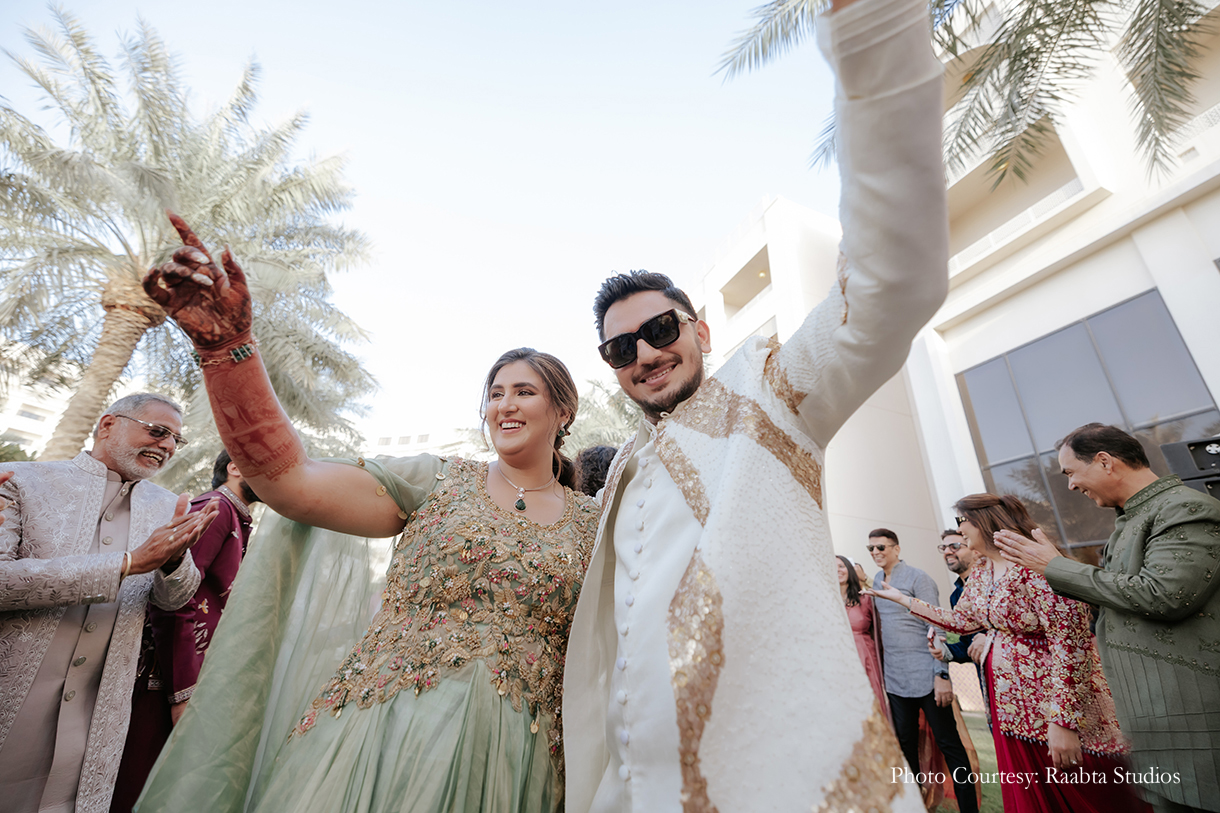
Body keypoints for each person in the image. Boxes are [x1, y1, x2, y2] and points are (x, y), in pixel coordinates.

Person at [560, 0, 950, 807]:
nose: (643, 353)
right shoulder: (622, 468)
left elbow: (889, 282)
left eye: (659, 328)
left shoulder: (769, 391)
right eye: (619, 347)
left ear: (700, 327)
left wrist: (869, 32)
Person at [136, 218, 600, 813]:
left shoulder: (596, 524)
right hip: (382, 736)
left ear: (564, 408)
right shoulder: (434, 481)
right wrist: (228, 354)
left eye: (524, 391)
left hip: (516, 756)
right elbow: (290, 484)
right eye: (495, 392)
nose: (505, 404)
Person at [870, 493, 1151, 813]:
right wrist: (904, 600)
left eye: (963, 524)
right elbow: (962, 620)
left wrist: (1064, 721)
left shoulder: (1035, 562)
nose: (959, 534)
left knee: (1086, 795)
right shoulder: (983, 569)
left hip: (1053, 706)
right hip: (1011, 707)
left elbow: (1070, 643)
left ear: (984, 522)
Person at [0, 393, 213, 813]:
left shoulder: (167, 505)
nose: (167, 445)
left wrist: (172, 560)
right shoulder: (22, 481)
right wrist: (128, 564)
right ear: (107, 424)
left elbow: (177, 597)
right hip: (14, 696)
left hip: (99, 709)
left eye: (175, 440)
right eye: (157, 431)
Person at [996, 423, 1220, 813]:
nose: (1069, 486)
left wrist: (1056, 567)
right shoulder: (1129, 521)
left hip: (1192, 722)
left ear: (1104, 461)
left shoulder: (1186, 508)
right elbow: (1120, 600)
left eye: (1070, 473)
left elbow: (1165, 595)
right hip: (1152, 723)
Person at [110, 449, 260, 813]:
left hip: (187, 670)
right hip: (164, 675)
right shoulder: (215, 509)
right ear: (235, 468)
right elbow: (173, 596)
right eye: (265, 466)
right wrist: (182, 692)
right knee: (136, 786)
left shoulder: (236, 517)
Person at [868, 529, 977, 812]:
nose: (876, 552)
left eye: (881, 547)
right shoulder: (877, 581)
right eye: (871, 548)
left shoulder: (919, 578)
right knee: (906, 746)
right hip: (894, 679)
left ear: (896, 548)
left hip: (927, 675)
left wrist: (941, 675)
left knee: (948, 744)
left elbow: (937, 626)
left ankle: (969, 808)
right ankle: (916, 806)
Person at [929, 529, 985, 683]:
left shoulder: (993, 583)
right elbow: (968, 645)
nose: (947, 552)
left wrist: (989, 640)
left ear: (975, 550)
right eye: (944, 548)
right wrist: (945, 651)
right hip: (986, 682)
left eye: (954, 546)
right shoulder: (955, 597)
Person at [838, 554, 887, 722]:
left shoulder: (865, 599)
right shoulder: (826, 601)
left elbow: (881, 631)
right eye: (833, 567)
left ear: (850, 570)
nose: (837, 570)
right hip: (837, 659)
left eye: (841, 566)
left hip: (864, 656)